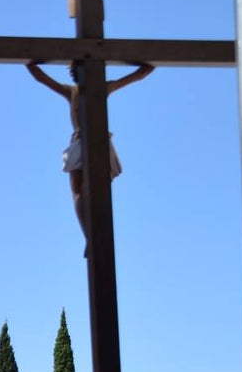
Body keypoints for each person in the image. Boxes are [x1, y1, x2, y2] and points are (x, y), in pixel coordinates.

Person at [25, 60, 154, 250]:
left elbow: (139, 74)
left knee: (82, 191)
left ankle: (90, 236)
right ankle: (90, 237)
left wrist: (27, 59)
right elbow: (140, 74)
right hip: (92, 140)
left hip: (89, 140)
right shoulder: (82, 90)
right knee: (85, 191)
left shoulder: (76, 90)